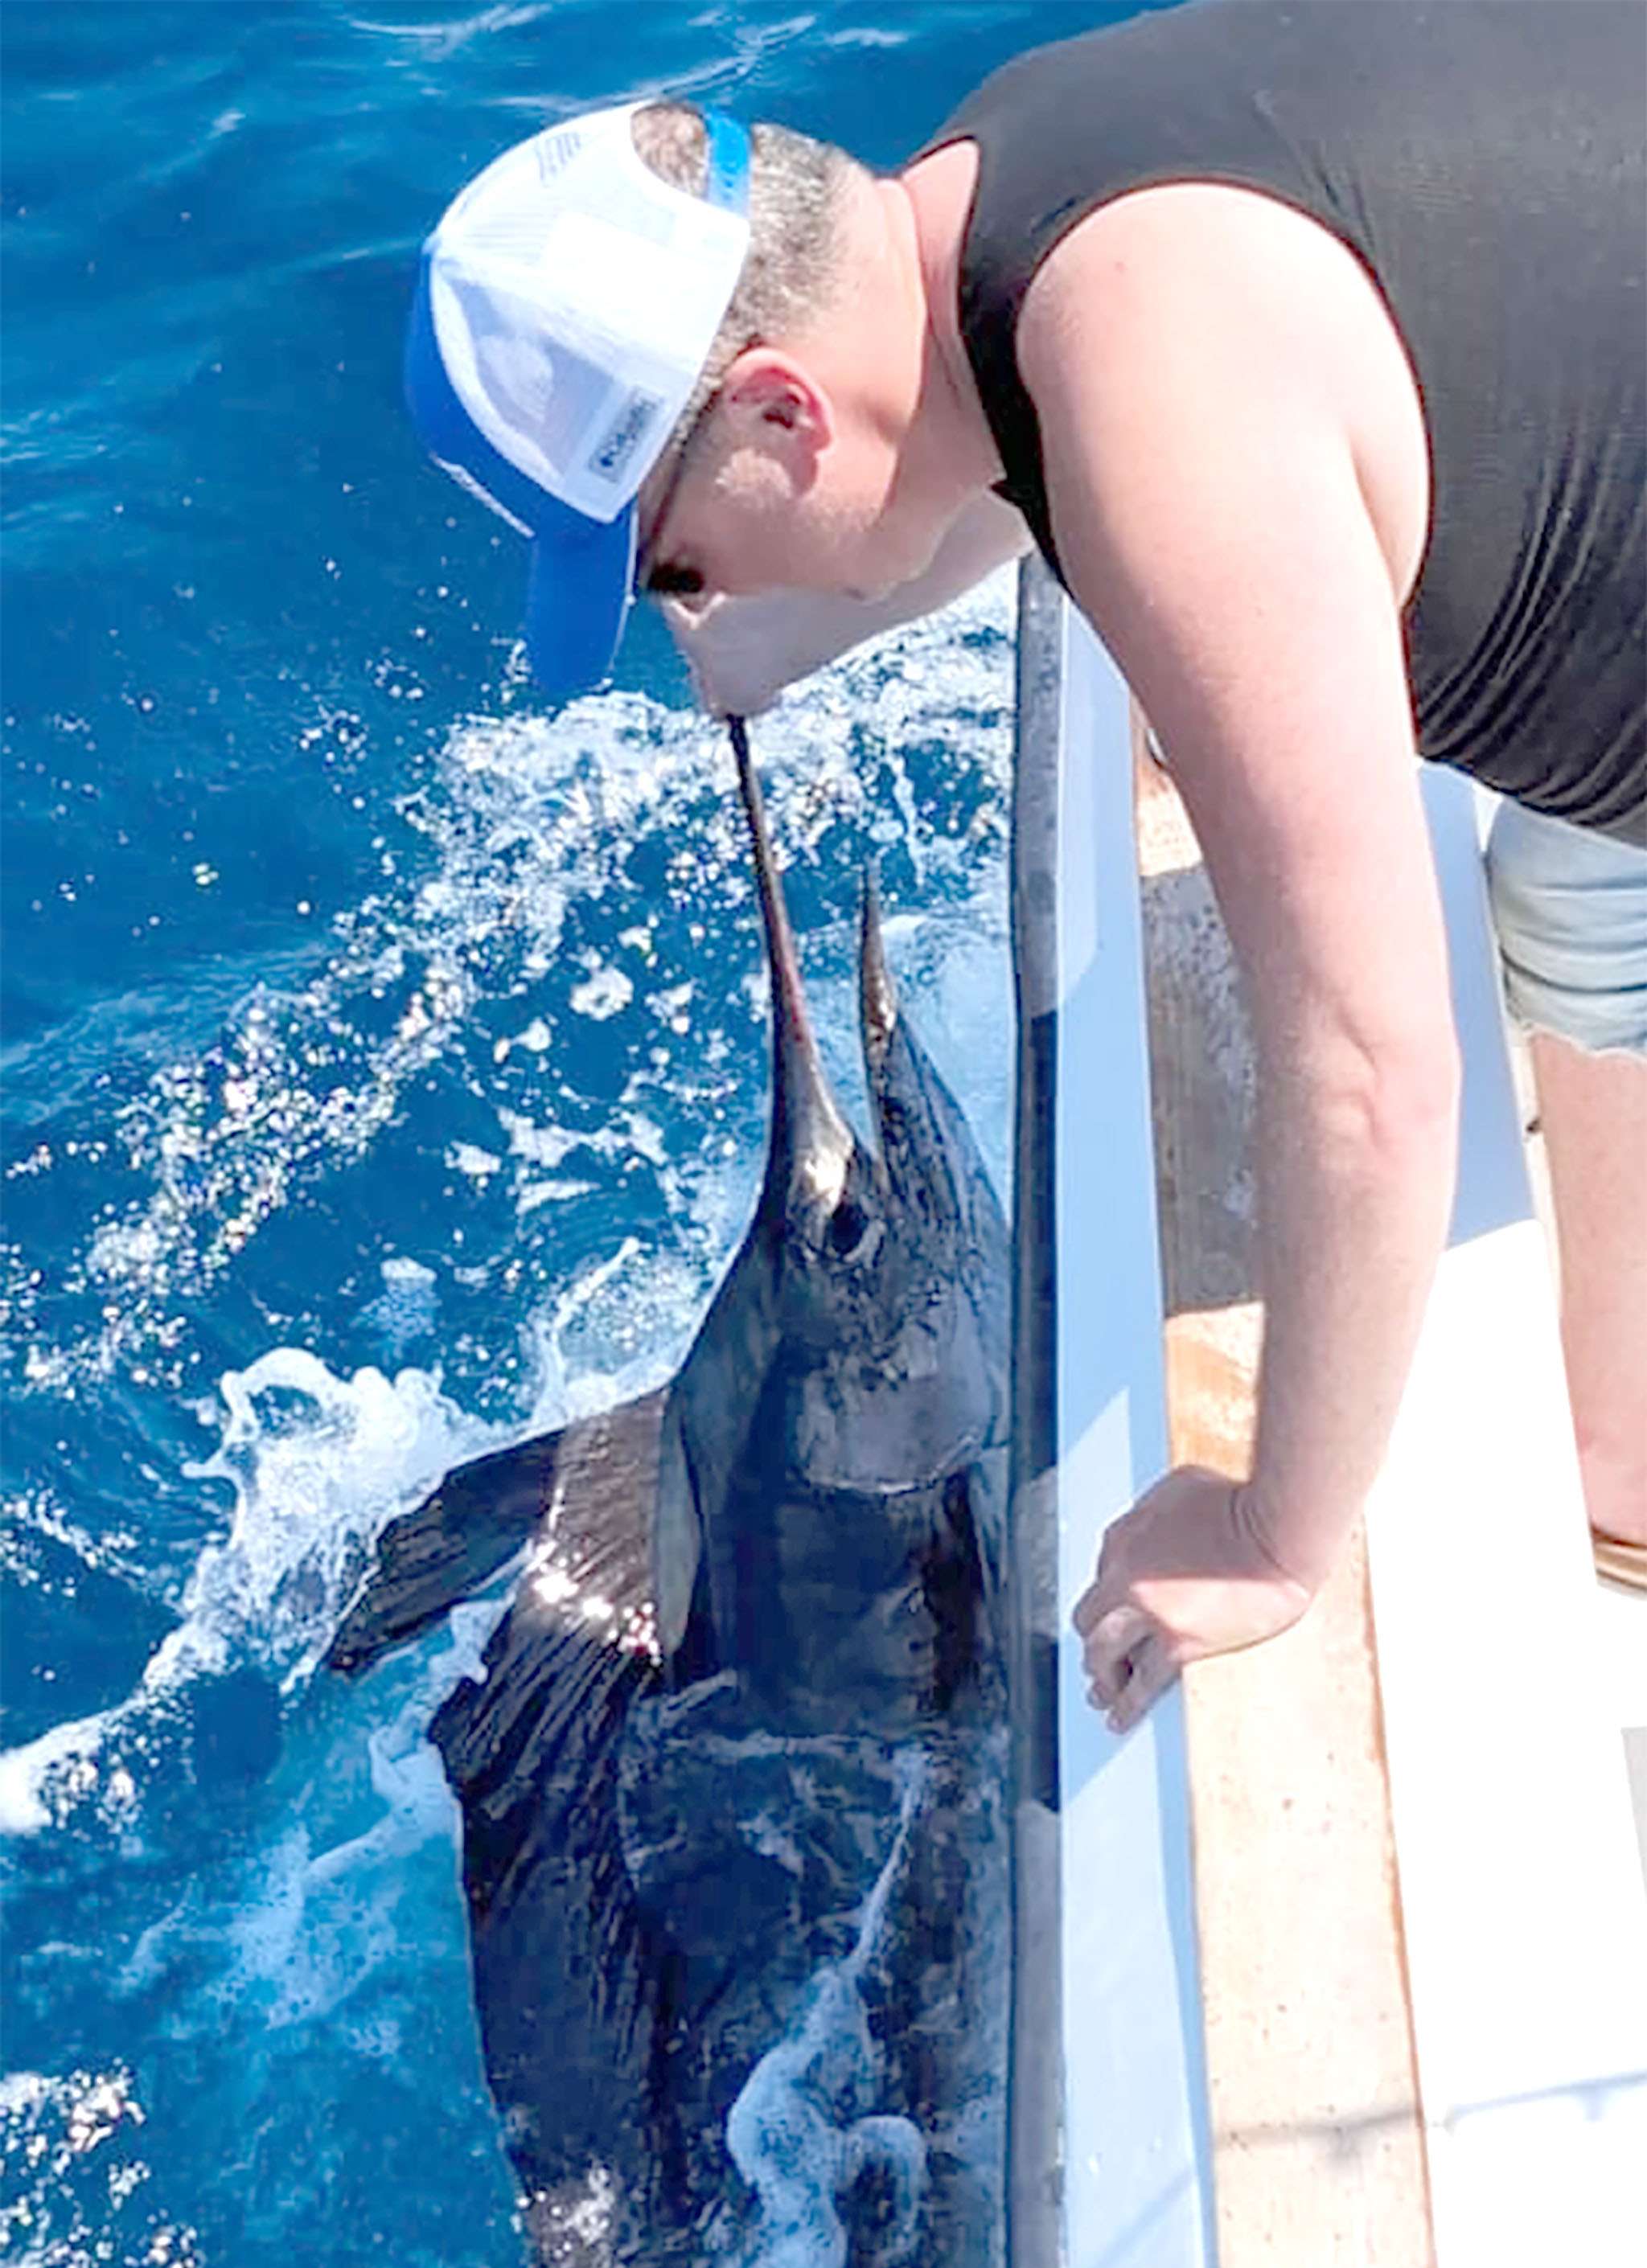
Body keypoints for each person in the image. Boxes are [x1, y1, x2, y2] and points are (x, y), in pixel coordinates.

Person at [405, 2, 1646, 1730]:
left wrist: (1270, 1536)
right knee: (1574, 908)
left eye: (676, 569)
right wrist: (801, 623)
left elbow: (1374, 1071)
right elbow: (1021, 455)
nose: (698, 609)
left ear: (776, 409)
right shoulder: (1028, 176)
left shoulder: (1166, 420)